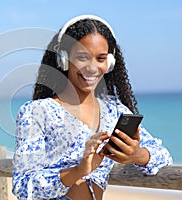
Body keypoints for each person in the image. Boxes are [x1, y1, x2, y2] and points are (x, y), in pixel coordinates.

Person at [12, 15, 173, 200]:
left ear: (110, 63)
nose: (92, 67)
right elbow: (23, 186)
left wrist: (137, 155)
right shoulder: (37, 112)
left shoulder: (115, 111)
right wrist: (79, 170)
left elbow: (163, 156)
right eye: (82, 57)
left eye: (101, 58)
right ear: (63, 60)